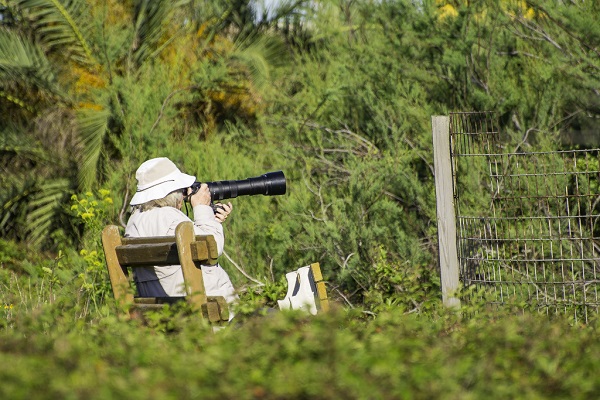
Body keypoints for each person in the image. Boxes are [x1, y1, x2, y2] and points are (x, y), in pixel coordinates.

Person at [125, 157, 238, 308]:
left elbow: (190, 240)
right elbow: (213, 248)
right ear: (172, 192)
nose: (184, 196)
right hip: (205, 313)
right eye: (182, 190)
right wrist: (201, 208)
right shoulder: (169, 217)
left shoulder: (133, 222)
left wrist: (211, 222)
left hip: (160, 316)